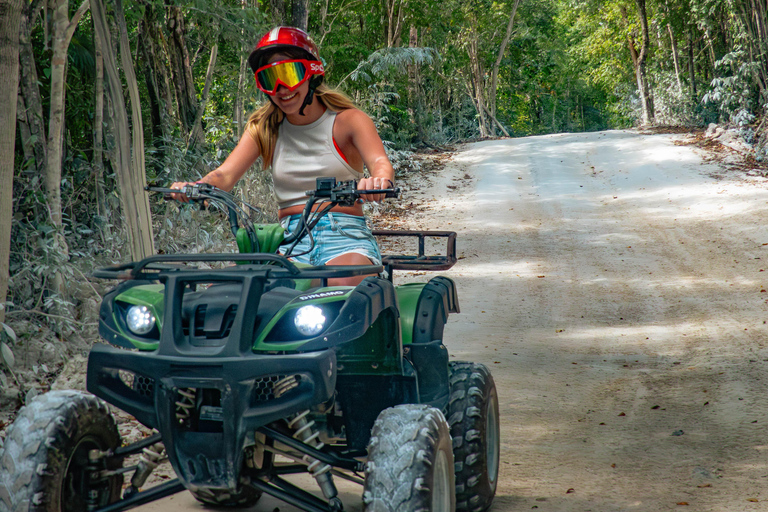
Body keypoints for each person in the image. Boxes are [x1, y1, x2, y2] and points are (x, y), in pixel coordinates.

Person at [170, 26, 395, 286]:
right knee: (228, 289)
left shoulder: (349, 121)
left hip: (344, 237)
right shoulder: (265, 127)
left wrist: (377, 181)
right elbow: (225, 175)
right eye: (269, 79)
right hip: (289, 243)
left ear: (312, 72)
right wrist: (196, 188)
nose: (281, 88)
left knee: (339, 285)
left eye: (289, 74)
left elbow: (380, 164)